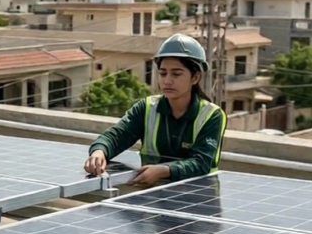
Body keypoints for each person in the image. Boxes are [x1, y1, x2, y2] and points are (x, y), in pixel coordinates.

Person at [83, 34, 227, 187]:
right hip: (151, 191)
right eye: (163, 73)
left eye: (176, 74)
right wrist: (99, 151)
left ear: (195, 77)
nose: (167, 80)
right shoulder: (147, 108)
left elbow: (202, 162)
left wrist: (164, 170)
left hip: (199, 195)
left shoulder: (211, 115)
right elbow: (118, 135)